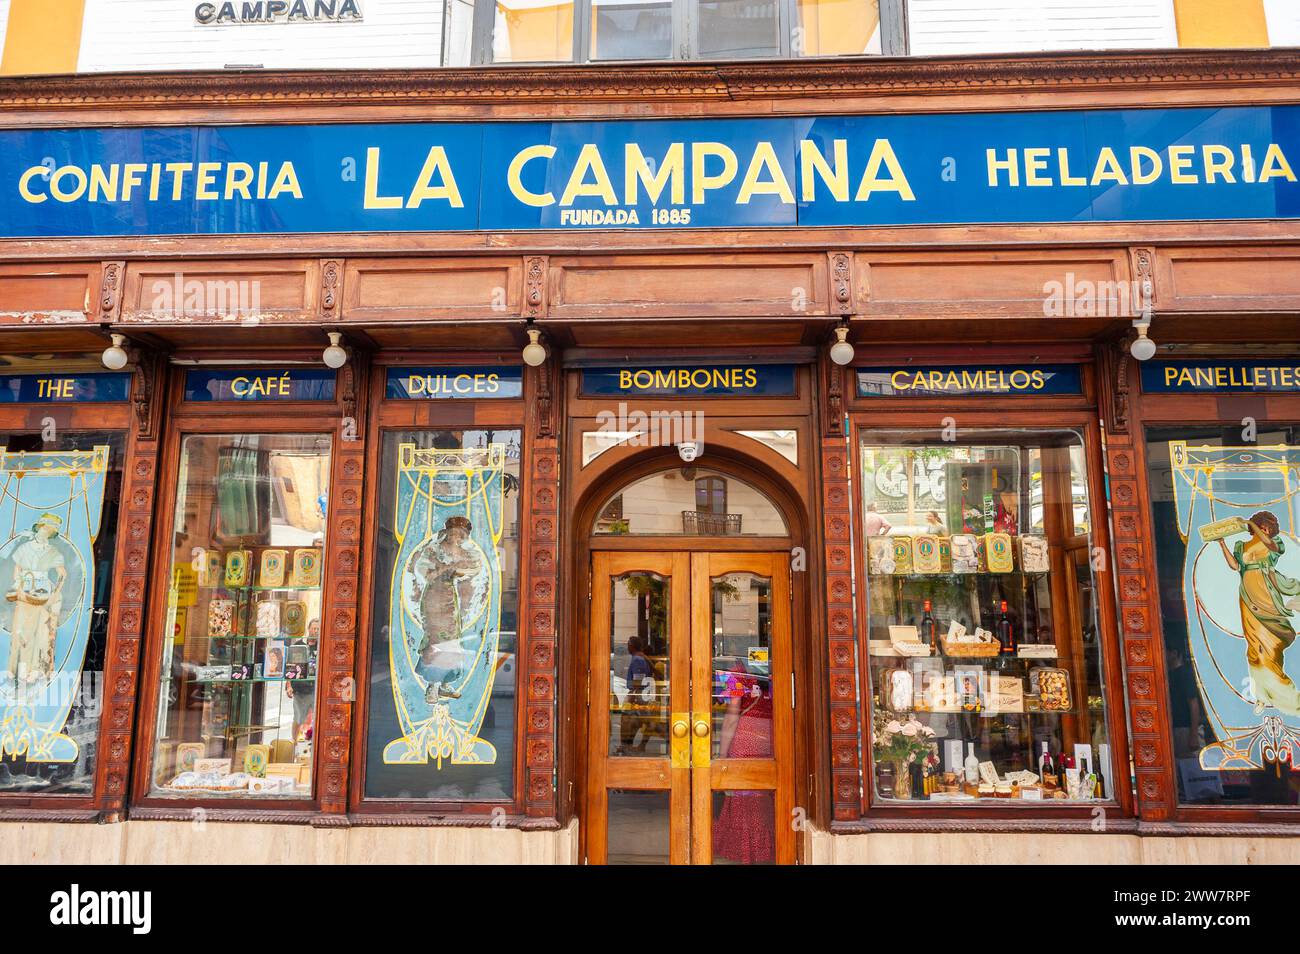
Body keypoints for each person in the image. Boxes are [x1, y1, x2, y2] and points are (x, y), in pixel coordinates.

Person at [1218, 510, 1300, 715]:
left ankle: (1287, 696)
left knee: (1272, 645)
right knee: (1254, 646)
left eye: (1268, 528)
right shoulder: (1241, 546)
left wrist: (1253, 527)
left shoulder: (1273, 544)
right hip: (1247, 594)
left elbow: (1269, 543)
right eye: (1263, 526)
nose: (1266, 531)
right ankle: (1261, 695)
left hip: (1266, 593)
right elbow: (1235, 566)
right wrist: (1221, 544)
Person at [413, 516, 485, 704]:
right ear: (448, 533)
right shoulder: (434, 550)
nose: (457, 538)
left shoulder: (463, 553)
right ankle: (433, 685)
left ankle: (444, 684)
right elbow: (423, 570)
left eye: (461, 535)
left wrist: (456, 571)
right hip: (434, 600)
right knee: (437, 641)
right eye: (454, 534)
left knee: (452, 641)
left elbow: (475, 568)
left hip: (450, 600)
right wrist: (442, 570)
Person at [711, 665, 775, 863]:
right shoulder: (776, 670)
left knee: (742, 796)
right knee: (761, 797)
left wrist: (722, 755)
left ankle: (746, 850)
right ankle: (763, 849)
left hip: (745, 737)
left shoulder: (735, 673)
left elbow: (731, 715)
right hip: (769, 737)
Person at [5, 513, 67, 687]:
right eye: (45, 528)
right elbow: (17, 569)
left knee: (40, 631)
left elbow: (63, 574)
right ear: (39, 527)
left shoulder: (52, 551)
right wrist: (19, 585)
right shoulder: (25, 548)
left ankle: (34, 670)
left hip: (43, 592)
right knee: (20, 629)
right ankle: (14, 669)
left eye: (50, 530)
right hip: (25, 589)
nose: (46, 532)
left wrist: (55, 592)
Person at [620, 636, 654, 752]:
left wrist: (632, 698)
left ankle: (627, 746)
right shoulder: (640, 658)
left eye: (628, 644)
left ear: (632, 645)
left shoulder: (637, 660)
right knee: (642, 721)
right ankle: (631, 746)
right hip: (641, 694)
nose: (627, 646)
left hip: (638, 694)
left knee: (628, 721)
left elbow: (638, 681)